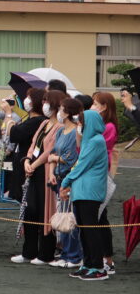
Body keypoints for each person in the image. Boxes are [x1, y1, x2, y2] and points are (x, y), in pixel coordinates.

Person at [14, 89, 66, 265]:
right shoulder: (44, 123)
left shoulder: (59, 127)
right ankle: (28, 251)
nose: (44, 104)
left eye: (47, 101)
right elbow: (33, 144)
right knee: (30, 210)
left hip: (45, 173)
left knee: (46, 212)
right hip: (33, 172)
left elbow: (49, 150)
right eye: (43, 101)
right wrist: (27, 161)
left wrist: (34, 164)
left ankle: (45, 253)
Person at [60, 110, 111, 281]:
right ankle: (88, 264)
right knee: (84, 230)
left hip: (90, 192)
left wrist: (66, 181)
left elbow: (82, 164)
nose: (79, 125)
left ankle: (98, 267)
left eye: (81, 122)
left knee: (91, 230)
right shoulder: (89, 141)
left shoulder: (96, 141)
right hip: (82, 191)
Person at [47, 97, 83, 269]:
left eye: (62, 109)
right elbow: (52, 153)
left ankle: (74, 255)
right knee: (62, 215)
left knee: (70, 217)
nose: (59, 112)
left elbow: (71, 158)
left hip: (70, 178)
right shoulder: (61, 131)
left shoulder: (76, 132)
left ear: (68, 112)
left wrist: (55, 158)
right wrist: (51, 171)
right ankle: (65, 253)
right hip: (59, 177)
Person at [91, 91, 118, 275]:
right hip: (93, 172)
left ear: (104, 106)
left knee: (100, 216)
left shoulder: (108, 127)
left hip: (100, 173)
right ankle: (99, 255)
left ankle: (107, 258)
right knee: (96, 216)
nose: (92, 106)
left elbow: (97, 146)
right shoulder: (100, 125)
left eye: (95, 103)